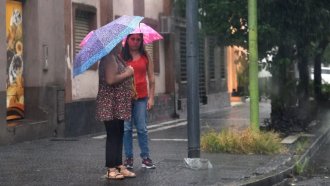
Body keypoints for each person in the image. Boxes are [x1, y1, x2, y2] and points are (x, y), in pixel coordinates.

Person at [95, 43, 137, 179]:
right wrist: (128, 72)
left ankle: (119, 165)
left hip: (118, 104)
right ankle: (111, 168)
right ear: (112, 45)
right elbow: (111, 79)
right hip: (110, 104)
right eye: (119, 43)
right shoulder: (109, 58)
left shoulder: (116, 57)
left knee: (119, 133)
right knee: (113, 134)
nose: (122, 45)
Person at [122, 33, 156, 169]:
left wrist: (152, 98)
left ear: (141, 41)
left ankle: (145, 157)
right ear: (127, 40)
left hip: (141, 97)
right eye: (132, 39)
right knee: (126, 129)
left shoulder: (146, 56)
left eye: (138, 39)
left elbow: (152, 78)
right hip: (125, 97)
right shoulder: (121, 56)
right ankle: (129, 158)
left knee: (142, 128)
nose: (135, 42)